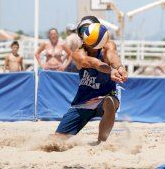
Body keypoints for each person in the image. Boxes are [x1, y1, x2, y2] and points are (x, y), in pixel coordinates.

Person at [55, 16, 128, 144]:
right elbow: (94, 63)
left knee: (110, 102)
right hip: (84, 100)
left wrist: (119, 67)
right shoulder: (78, 53)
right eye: (83, 30)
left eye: (88, 29)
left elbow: (112, 57)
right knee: (55, 141)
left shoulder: (108, 46)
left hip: (106, 95)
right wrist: (111, 71)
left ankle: (101, 143)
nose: (85, 33)